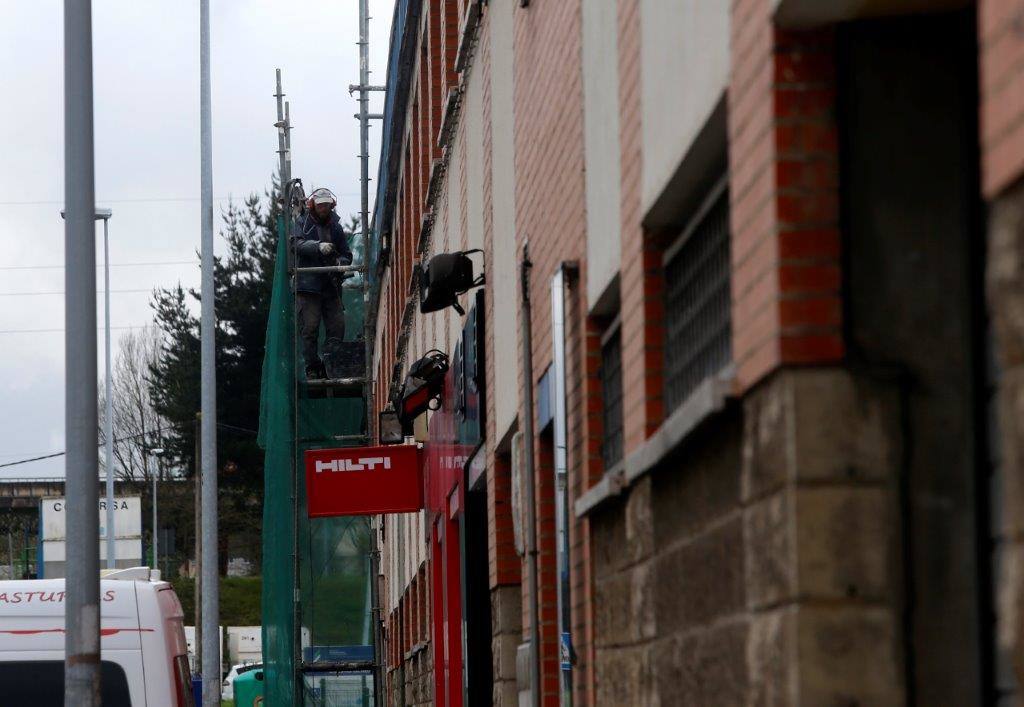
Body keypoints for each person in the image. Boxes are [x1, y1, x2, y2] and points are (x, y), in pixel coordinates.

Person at [292, 187, 353, 379]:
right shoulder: (302, 223)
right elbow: (296, 244)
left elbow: (346, 253)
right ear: (313, 205)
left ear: (331, 205)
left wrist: (342, 263)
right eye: (320, 205)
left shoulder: (336, 227)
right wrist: (317, 247)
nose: (323, 208)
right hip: (308, 287)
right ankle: (313, 367)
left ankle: (331, 363)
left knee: (337, 327)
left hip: (330, 286)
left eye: (327, 205)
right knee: (309, 328)